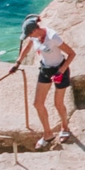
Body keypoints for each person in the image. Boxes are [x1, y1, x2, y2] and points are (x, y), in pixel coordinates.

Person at [16, 14, 75, 145]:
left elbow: (71, 54)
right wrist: (17, 63)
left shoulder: (52, 36)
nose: (30, 37)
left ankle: (65, 128)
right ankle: (47, 134)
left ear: (34, 30)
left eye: (30, 34)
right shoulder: (34, 37)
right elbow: (27, 47)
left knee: (58, 103)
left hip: (60, 69)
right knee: (38, 103)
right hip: (46, 69)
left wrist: (61, 72)